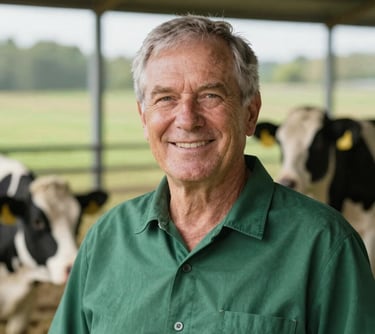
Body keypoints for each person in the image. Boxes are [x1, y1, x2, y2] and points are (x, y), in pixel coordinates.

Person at [49, 15, 375, 333]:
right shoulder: (105, 241)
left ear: (250, 113)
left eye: (210, 96)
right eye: (166, 98)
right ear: (143, 117)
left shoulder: (326, 245)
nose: (188, 119)